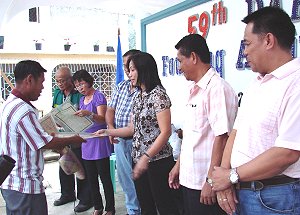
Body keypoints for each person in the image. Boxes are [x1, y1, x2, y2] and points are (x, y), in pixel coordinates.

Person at [212, 6, 300, 215]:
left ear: (268, 41)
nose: (245, 52)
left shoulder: (295, 83)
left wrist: (232, 176)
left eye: (248, 44)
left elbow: (287, 153)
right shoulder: (258, 83)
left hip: (275, 198)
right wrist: (225, 176)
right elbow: (236, 131)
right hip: (243, 192)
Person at [96, 52, 181, 215]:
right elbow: (132, 128)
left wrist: (146, 157)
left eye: (133, 69)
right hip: (139, 159)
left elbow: (165, 132)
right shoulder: (139, 96)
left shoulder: (158, 95)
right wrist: (109, 130)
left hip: (158, 161)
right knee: (146, 205)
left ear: (144, 70)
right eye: (128, 69)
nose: (129, 73)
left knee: (165, 206)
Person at [0, 60, 85, 215]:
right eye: (41, 82)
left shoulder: (9, 103)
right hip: (24, 185)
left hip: (12, 182)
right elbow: (43, 143)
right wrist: (73, 139)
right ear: (30, 79)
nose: (43, 87)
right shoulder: (23, 109)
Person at [168, 34, 238, 215]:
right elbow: (193, 137)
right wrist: (178, 166)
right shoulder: (195, 90)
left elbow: (222, 138)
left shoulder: (217, 89)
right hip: (190, 180)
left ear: (193, 57)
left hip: (205, 184)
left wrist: (210, 181)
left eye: (180, 61)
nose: (179, 67)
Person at [72, 69, 115, 215]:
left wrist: (89, 114)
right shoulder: (81, 100)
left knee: (104, 177)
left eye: (81, 84)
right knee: (91, 179)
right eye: (77, 86)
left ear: (89, 81)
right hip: (87, 141)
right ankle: (98, 207)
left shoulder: (98, 96)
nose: (80, 88)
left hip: (99, 140)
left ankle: (110, 208)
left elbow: (103, 118)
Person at [105, 49, 141, 215]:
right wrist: (111, 129)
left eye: (130, 65)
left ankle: (141, 209)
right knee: (125, 179)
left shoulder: (145, 89)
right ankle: (132, 209)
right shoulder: (121, 86)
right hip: (119, 140)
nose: (127, 69)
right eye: (125, 66)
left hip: (138, 141)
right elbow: (110, 109)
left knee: (138, 178)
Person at [52, 66, 92, 212]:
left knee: (80, 167)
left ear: (70, 79)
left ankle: (85, 199)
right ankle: (67, 194)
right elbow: (54, 110)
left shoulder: (79, 94)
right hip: (63, 135)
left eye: (62, 80)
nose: (59, 83)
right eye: (57, 81)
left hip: (78, 135)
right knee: (65, 165)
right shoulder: (57, 94)